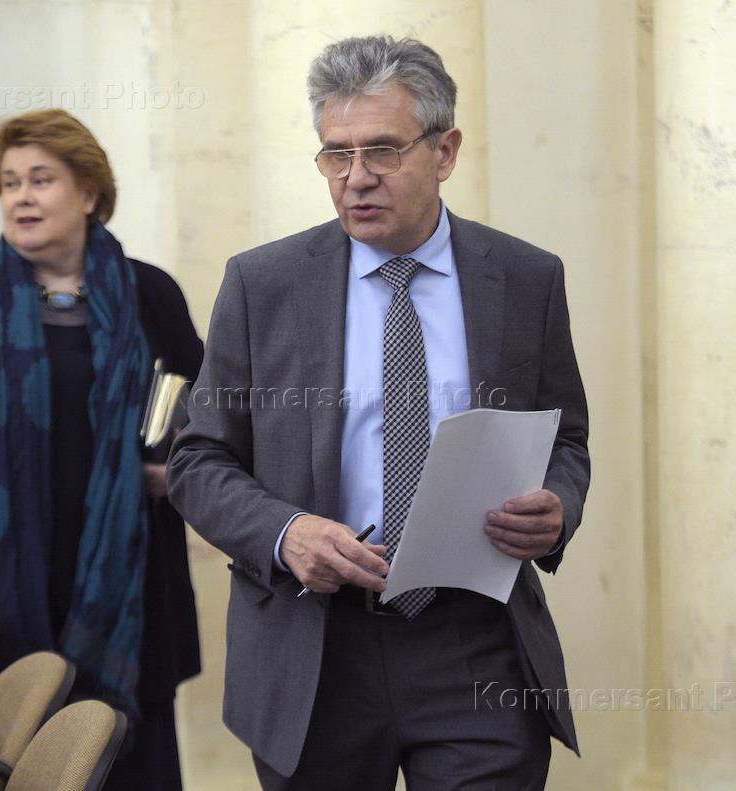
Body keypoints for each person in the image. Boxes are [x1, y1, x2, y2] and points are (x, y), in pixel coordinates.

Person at [168, 35, 591, 791]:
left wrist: (557, 506)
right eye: (337, 154)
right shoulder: (262, 286)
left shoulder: (525, 279)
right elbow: (198, 460)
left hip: (476, 647)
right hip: (314, 648)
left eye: (383, 151)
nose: (356, 177)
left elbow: (567, 440)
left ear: (445, 151)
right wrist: (287, 533)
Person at [0, 109, 201, 789]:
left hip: (127, 588)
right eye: (9, 183)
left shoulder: (150, 295)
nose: (21, 198)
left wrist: (177, 467)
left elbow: (208, 415)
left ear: (88, 193)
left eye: (40, 180)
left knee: (126, 764)